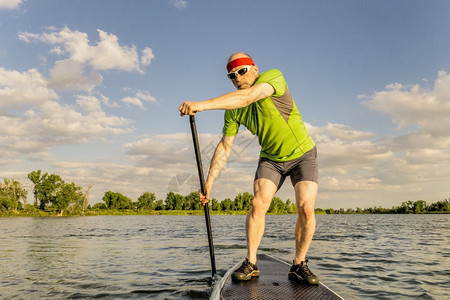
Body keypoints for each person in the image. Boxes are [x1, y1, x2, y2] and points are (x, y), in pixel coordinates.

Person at [178, 52, 319, 285]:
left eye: (242, 71)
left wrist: (200, 105)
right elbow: (224, 147)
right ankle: (251, 263)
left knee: (306, 206)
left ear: (255, 69)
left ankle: (299, 264)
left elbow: (248, 97)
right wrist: (209, 183)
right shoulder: (232, 110)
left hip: (302, 154)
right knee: (257, 203)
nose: (237, 78)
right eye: (232, 76)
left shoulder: (273, 78)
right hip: (271, 158)